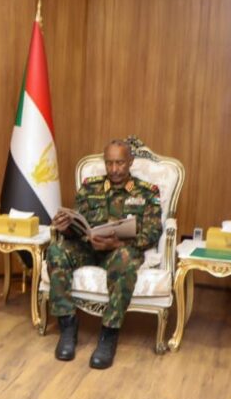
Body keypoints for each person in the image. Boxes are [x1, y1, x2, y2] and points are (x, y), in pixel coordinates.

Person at [47, 139, 162, 369]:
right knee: (55, 250)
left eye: (120, 163)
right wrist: (66, 227)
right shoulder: (90, 187)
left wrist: (118, 243)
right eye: (109, 163)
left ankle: (109, 335)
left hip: (120, 250)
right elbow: (78, 224)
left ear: (130, 162)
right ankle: (67, 327)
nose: (114, 169)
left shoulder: (146, 192)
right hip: (89, 248)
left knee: (125, 261)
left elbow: (153, 232)